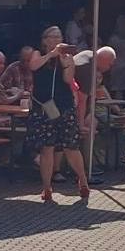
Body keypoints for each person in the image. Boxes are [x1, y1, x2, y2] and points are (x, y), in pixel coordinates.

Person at [27, 26, 87, 202]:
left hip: (64, 105)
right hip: (44, 107)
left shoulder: (67, 58)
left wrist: (66, 63)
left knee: (70, 146)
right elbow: (33, 65)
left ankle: (82, 180)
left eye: (58, 36)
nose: (55, 40)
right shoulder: (38, 54)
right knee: (47, 148)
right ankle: (47, 188)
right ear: (45, 40)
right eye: (52, 37)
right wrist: (51, 55)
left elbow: (68, 79)